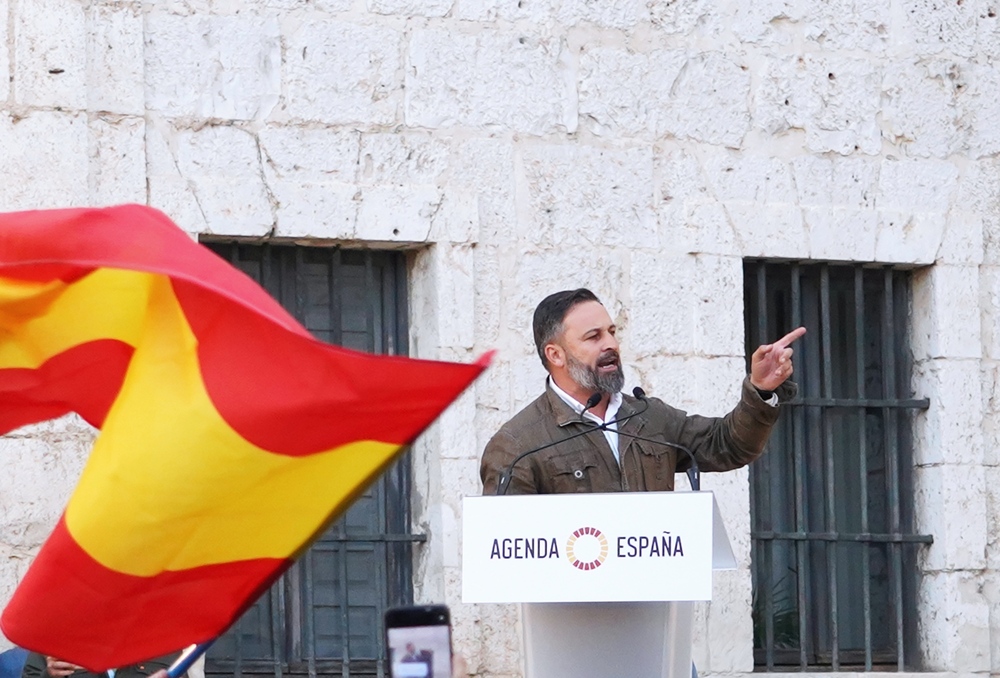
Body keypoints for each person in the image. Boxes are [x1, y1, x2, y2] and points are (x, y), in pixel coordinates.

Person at [481, 288, 805, 494]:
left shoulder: (648, 418)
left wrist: (760, 390)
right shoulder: (518, 445)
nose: (610, 344)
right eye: (593, 337)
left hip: (656, 600)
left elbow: (728, 446)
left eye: (611, 332)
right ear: (555, 354)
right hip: (575, 603)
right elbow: (508, 549)